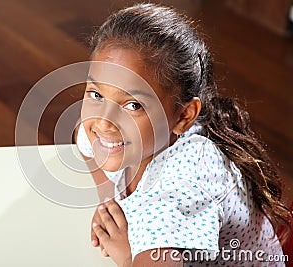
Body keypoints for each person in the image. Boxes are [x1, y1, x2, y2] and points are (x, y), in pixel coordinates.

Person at [74, 3, 292, 266]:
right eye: (97, 94)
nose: (105, 122)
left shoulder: (188, 176)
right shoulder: (111, 134)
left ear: (184, 116)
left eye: (133, 105)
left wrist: (128, 256)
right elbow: (83, 136)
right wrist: (109, 203)